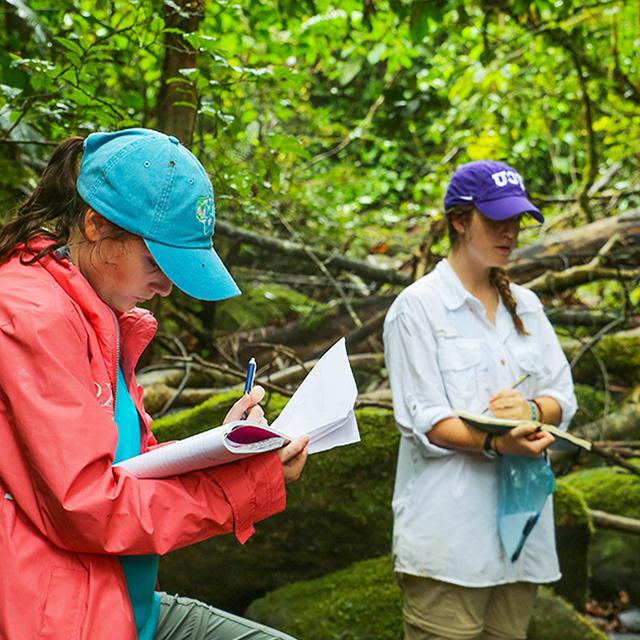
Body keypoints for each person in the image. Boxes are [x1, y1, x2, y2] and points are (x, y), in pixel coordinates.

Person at [0, 128, 310, 640]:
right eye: (157, 263)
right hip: (62, 618)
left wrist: (227, 447)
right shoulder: (33, 318)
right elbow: (91, 506)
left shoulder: (95, 312)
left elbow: (131, 466)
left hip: (123, 600)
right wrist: (242, 485)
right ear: (96, 225)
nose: (166, 286)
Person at [383, 160, 577, 640]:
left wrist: (532, 412)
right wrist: (498, 443)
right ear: (459, 220)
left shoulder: (527, 306)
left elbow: (562, 397)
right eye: (496, 220)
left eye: (516, 221)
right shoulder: (418, 308)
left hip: (519, 543)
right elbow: (425, 423)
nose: (509, 232)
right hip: (449, 544)